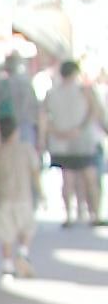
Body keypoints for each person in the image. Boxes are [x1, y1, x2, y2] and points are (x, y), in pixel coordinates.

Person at [41, 59, 105, 227]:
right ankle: (94, 214)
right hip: (83, 140)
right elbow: (95, 111)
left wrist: (53, 132)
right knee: (90, 178)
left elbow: (43, 116)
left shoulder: (52, 93)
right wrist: (80, 129)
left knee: (67, 179)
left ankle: (69, 216)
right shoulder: (84, 90)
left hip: (61, 142)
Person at [0, 113, 43, 278]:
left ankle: (7, 264)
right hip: (23, 196)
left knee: (6, 233)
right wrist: (41, 192)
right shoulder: (26, 149)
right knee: (27, 228)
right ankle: (23, 252)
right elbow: (35, 172)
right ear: (16, 131)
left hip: (4, 198)